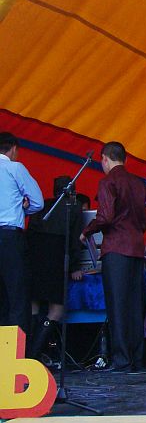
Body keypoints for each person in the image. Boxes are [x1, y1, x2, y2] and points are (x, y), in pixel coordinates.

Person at [81, 141, 146, 372]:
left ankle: (122, 360)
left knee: (117, 306)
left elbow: (105, 217)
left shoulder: (108, 181)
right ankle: (137, 357)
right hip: (136, 248)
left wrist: (87, 230)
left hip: (116, 248)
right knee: (135, 305)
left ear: (104, 159)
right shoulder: (138, 183)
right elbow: (143, 221)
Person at [27, 176, 89, 362]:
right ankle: (34, 354)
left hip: (34, 261)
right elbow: (74, 241)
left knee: (33, 307)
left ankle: (28, 352)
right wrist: (75, 267)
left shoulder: (40, 207)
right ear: (73, 192)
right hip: (56, 261)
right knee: (56, 310)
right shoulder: (74, 208)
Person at [0, 132, 43, 339]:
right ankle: (15, 354)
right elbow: (38, 202)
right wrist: (22, 209)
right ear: (14, 149)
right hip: (9, 237)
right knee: (17, 296)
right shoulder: (15, 168)